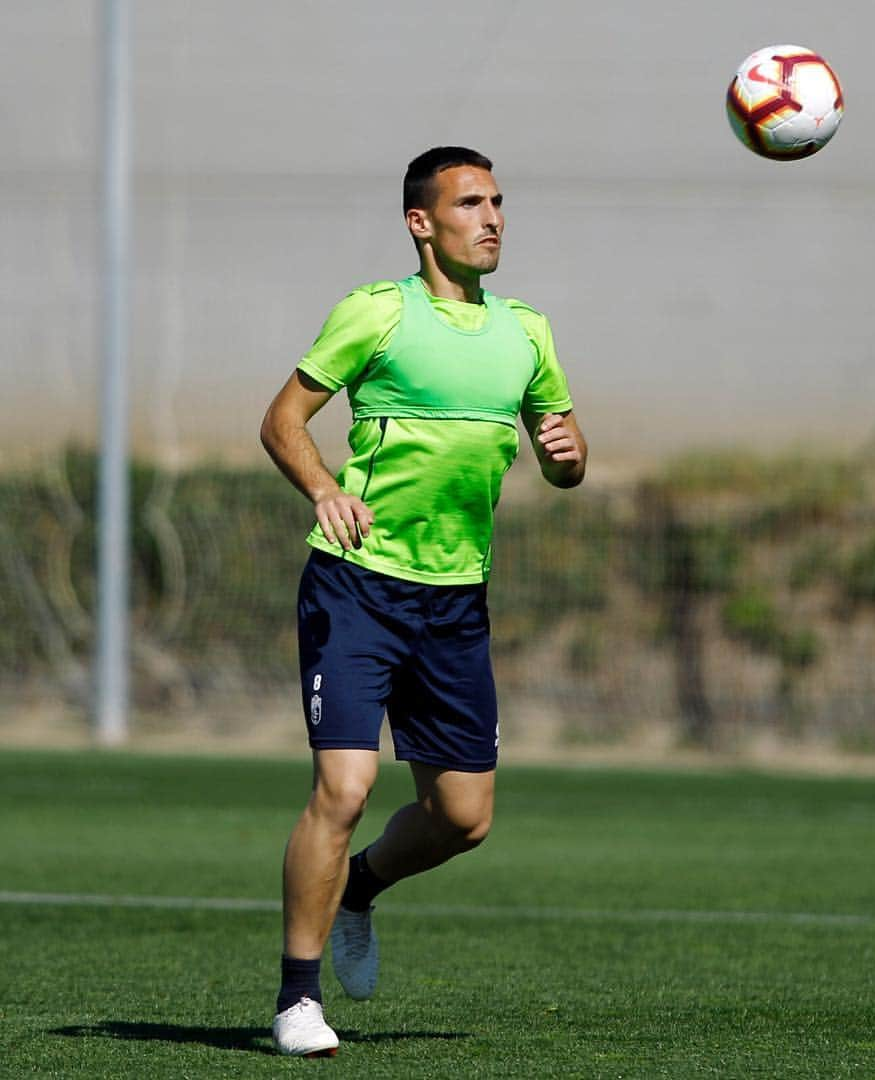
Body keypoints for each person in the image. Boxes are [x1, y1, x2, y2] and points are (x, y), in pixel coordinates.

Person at [259, 146, 587, 1057]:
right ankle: (297, 999)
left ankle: (359, 889)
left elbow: (567, 451)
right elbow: (282, 420)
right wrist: (324, 485)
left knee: (464, 819)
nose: (493, 219)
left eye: (497, 202)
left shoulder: (527, 331)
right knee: (346, 786)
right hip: (357, 586)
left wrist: (568, 457)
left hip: (456, 602)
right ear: (421, 222)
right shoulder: (377, 313)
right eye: (471, 203)